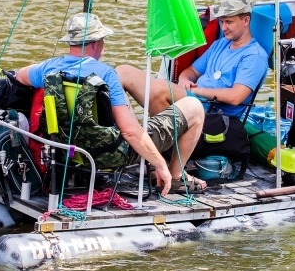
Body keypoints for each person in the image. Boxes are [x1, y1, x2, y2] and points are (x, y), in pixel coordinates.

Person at [14, 12, 207, 196]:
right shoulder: (105, 74)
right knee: (194, 107)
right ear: (96, 44)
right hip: (108, 154)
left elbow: (20, 76)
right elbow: (129, 132)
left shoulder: (49, 68)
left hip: (68, 151)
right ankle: (175, 176)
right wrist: (159, 164)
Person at [117, 0, 268, 118]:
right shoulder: (221, 44)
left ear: (246, 20)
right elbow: (192, 71)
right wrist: (184, 80)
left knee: (160, 89)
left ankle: (162, 138)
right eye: (221, 22)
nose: (223, 28)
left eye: (229, 22)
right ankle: (130, 129)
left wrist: (196, 91)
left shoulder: (254, 56)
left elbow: (235, 97)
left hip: (213, 112)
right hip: (195, 99)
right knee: (123, 72)